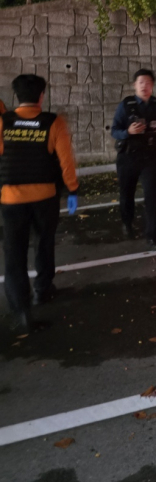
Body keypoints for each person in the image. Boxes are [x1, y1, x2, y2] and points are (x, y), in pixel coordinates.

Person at [0, 74, 79, 332]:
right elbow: (66, 161)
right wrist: (73, 189)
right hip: (44, 199)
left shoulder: (4, 122)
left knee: (14, 256)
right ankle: (42, 290)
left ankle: (22, 310)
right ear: (41, 96)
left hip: (11, 200)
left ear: (16, 97)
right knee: (44, 244)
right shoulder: (53, 122)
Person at [111, 69, 156, 250]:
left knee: (152, 198)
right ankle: (127, 222)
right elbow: (114, 130)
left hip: (149, 158)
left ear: (152, 85)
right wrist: (127, 132)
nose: (144, 86)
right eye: (141, 83)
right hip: (127, 158)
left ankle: (152, 237)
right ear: (135, 85)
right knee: (126, 195)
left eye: (148, 83)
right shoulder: (126, 105)